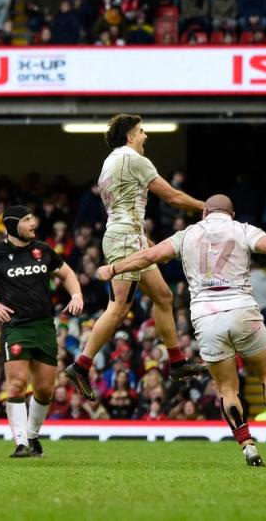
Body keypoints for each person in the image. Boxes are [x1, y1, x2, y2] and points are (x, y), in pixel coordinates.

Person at [97, 194, 266, 466]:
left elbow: (149, 256)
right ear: (230, 213)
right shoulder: (242, 229)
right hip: (243, 312)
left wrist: (114, 267)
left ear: (205, 212)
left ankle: (247, 446)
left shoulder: (187, 234)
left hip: (206, 318)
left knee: (227, 389)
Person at [65, 114, 208, 401]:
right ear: (130, 137)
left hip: (129, 238)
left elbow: (122, 209)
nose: (145, 136)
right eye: (141, 131)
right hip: (126, 240)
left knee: (164, 297)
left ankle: (177, 362)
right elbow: (171, 196)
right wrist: (207, 208)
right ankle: (81, 366)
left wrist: (148, 244)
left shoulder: (109, 163)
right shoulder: (133, 159)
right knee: (118, 308)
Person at [0, 205, 84, 458]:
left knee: (44, 390)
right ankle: (20, 443)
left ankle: (33, 436)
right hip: (15, 327)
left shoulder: (44, 250)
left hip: (44, 326)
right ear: (12, 225)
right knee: (16, 385)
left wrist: (77, 294)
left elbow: (67, 272)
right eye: (27, 220)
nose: (33, 223)